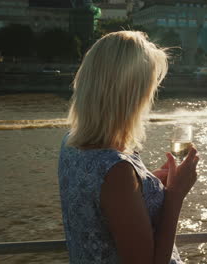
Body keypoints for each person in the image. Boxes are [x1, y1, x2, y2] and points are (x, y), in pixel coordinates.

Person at [58, 31, 199, 264]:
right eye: (149, 87)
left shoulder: (70, 144)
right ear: (131, 94)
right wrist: (175, 195)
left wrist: (149, 182)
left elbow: (102, 202)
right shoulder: (117, 169)